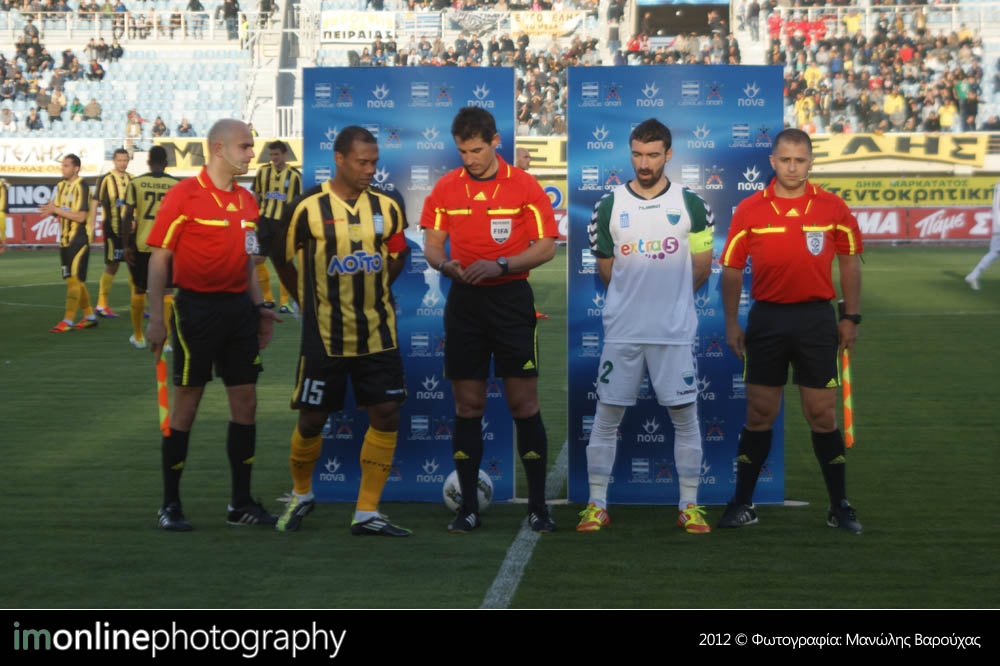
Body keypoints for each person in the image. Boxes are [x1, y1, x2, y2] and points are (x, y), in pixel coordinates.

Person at [420, 107, 558, 533]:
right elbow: (433, 246)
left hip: (511, 301)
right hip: (464, 304)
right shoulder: (446, 188)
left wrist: (501, 265)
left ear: (495, 142)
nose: (470, 159)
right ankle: (468, 509)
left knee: (523, 404)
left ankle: (538, 507)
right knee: (468, 405)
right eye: (462, 151)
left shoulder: (524, 185)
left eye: (477, 150)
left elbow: (546, 247)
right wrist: (445, 266)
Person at [718, 128, 864, 533]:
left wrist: (851, 317)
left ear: (811, 162)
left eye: (800, 160)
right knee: (759, 413)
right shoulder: (750, 210)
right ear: (773, 162)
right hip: (767, 320)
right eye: (785, 160)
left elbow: (850, 260)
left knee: (822, 414)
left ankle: (839, 506)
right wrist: (731, 322)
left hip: (816, 320)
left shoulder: (832, 207)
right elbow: (731, 270)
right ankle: (742, 503)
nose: (793, 168)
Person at [272, 126, 411, 535]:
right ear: (339, 159)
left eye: (374, 162)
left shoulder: (388, 204)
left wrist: (382, 285)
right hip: (324, 335)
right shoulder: (307, 206)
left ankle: (367, 512)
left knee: (386, 413)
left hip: (378, 331)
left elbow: (399, 251)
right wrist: (304, 298)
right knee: (312, 419)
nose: (370, 169)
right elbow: (281, 256)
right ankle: (301, 494)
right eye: (362, 162)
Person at [579, 119, 714, 534]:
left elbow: (702, 268)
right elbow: (607, 271)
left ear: (668, 155)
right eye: (637, 154)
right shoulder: (608, 205)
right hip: (623, 331)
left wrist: (669, 302)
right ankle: (596, 504)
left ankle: (689, 505)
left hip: (673, 332)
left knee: (685, 418)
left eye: (653, 155)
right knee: (606, 416)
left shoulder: (693, 205)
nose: (644, 163)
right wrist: (634, 301)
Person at [144, 119, 280, 531]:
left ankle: (240, 504)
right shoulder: (184, 195)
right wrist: (155, 318)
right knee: (186, 404)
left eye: (251, 146)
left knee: (246, 403)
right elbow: (159, 258)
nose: (252, 153)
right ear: (219, 149)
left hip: (239, 312)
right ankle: (170, 504)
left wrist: (260, 307)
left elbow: (249, 263)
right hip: (196, 311)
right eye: (245, 146)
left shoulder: (248, 201)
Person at [121, 145, 179, 349]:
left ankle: (138, 336)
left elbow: (127, 216)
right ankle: (167, 340)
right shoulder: (175, 185)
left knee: (139, 288)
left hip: (142, 244)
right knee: (167, 291)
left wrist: (125, 245)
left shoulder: (136, 183)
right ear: (166, 163)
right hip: (166, 245)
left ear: (148, 162)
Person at [42, 154, 98, 332]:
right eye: (62, 165)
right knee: (74, 281)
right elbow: (59, 210)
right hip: (65, 240)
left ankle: (67, 320)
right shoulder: (61, 186)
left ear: (76, 168)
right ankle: (90, 316)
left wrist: (56, 210)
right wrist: (51, 210)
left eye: (66, 165)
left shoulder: (82, 185)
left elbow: (81, 217)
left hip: (79, 239)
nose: (63, 168)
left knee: (74, 279)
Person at [251, 140, 301, 313]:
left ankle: (285, 303)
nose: (273, 158)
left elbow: (298, 201)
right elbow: (256, 194)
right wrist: (252, 217)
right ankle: (264, 297)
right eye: (271, 154)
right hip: (264, 221)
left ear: (285, 154)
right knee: (257, 258)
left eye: (276, 154)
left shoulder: (295, 176)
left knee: (283, 262)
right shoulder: (263, 171)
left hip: (283, 224)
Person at [94, 148, 132, 318]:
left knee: (134, 266)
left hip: (130, 231)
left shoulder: (132, 179)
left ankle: (137, 303)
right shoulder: (106, 179)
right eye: (119, 160)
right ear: (114, 161)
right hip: (112, 230)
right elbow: (95, 201)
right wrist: (90, 226)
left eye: (125, 160)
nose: (122, 163)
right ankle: (101, 305)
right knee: (112, 265)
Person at [965, 180, 1000, 290]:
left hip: (997, 226)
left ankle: (973, 276)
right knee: (994, 253)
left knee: (994, 253)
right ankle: (973, 276)